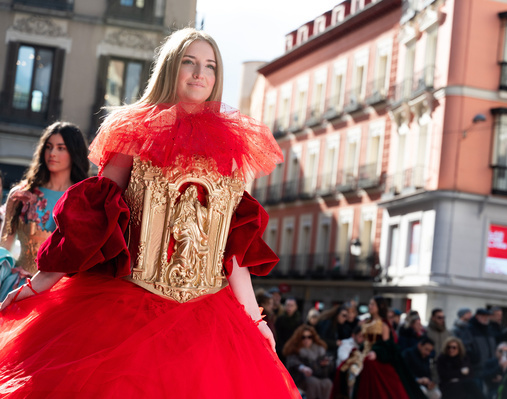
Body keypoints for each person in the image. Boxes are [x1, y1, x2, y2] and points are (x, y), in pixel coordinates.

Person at [0, 28, 300, 398]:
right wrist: (40, 283)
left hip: (207, 317)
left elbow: (232, 248)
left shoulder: (231, 147)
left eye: (209, 66)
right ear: (171, 68)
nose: (199, 74)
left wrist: (255, 320)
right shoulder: (135, 132)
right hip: (125, 303)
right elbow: (92, 216)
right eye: (189, 62)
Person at [0, 122, 89, 300]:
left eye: (60, 148)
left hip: (58, 294)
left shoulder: (83, 198)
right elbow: (5, 246)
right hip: (15, 285)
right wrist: (10, 204)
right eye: (48, 147)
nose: (52, 153)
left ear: (74, 152)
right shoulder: (23, 192)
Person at [350, 296, 425, 399]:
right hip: (367, 355)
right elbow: (366, 342)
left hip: (380, 358)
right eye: (370, 304)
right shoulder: (367, 322)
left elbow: (387, 345)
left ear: (380, 307)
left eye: (373, 304)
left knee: (370, 366)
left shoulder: (384, 325)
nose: (370, 306)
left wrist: (376, 352)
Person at [283, 325, 334, 399]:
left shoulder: (319, 349)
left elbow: (328, 367)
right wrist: (302, 368)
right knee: (313, 382)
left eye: (309, 337)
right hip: (301, 378)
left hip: (319, 376)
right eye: (303, 337)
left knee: (328, 383)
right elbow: (292, 362)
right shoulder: (294, 349)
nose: (306, 339)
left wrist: (326, 364)